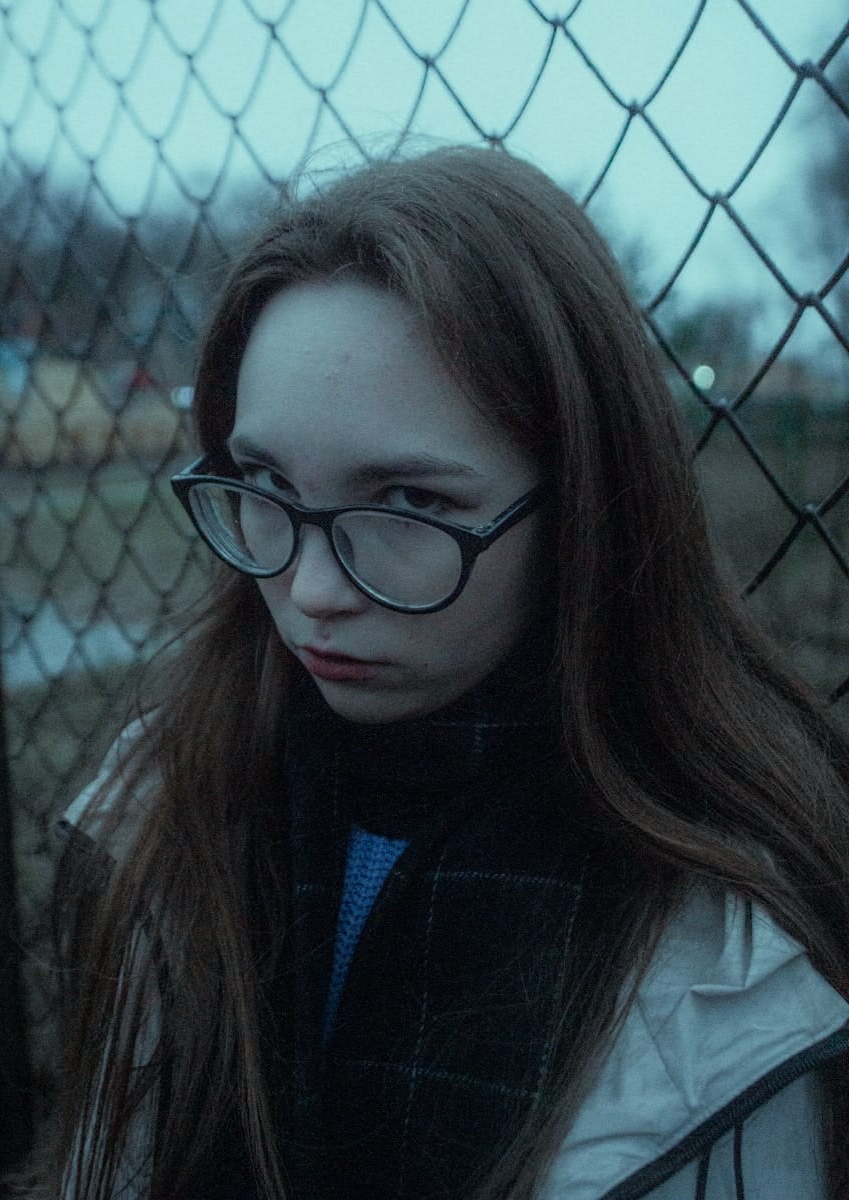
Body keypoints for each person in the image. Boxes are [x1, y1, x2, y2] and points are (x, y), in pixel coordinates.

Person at [45, 146, 849, 1200]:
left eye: (412, 505)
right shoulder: (157, 807)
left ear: (586, 510)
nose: (312, 588)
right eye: (264, 483)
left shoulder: (744, 953)